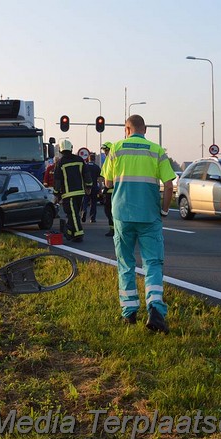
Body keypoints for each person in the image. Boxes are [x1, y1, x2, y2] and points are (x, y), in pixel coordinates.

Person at [103, 115, 175, 333]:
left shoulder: (115, 149)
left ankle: (129, 313)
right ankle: (155, 309)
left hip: (122, 215)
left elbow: (107, 182)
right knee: (152, 263)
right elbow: (170, 185)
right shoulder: (156, 150)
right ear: (145, 129)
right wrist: (163, 210)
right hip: (149, 216)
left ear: (127, 129)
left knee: (125, 263)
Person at [53, 139, 92, 242]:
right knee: (75, 213)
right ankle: (70, 232)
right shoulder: (79, 160)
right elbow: (86, 174)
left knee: (72, 213)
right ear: (71, 148)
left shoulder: (60, 163)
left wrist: (56, 194)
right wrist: (88, 187)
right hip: (80, 192)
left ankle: (79, 233)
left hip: (68, 194)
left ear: (61, 150)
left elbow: (57, 180)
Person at [80, 153, 101, 223]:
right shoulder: (97, 167)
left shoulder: (85, 166)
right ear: (94, 159)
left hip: (86, 187)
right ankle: (92, 218)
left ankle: (84, 211)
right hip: (94, 187)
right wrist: (100, 188)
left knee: (85, 201)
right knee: (93, 203)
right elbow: (99, 179)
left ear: (88, 159)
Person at [100, 142, 115, 237]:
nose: (105, 152)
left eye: (106, 150)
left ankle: (113, 229)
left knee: (109, 211)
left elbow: (105, 178)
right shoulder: (115, 160)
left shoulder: (109, 161)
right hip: (117, 191)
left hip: (110, 191)